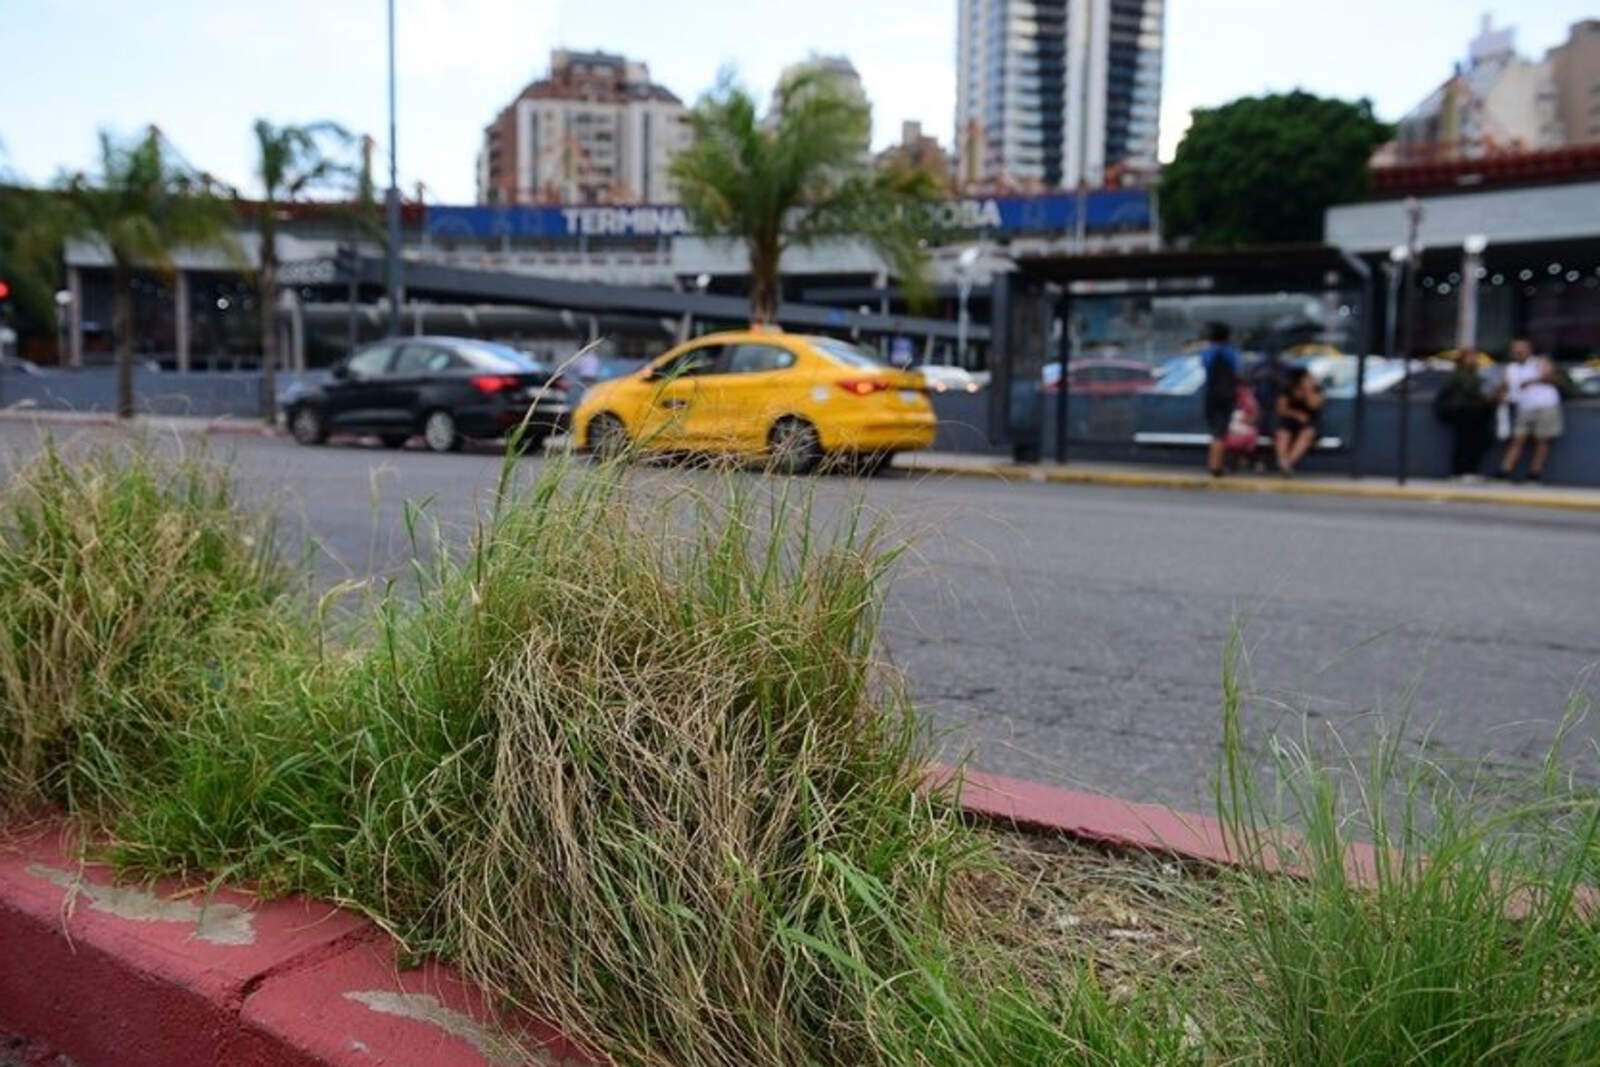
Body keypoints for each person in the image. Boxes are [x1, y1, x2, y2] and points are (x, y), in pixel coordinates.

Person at [1496, 338, 1563, 483]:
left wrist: (1534, 380)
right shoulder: (1511, 368)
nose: (1519, 351)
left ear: (1529, 349)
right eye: (1516, 349)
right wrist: (1502, 394)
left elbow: (1553, 378)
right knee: (1517, 439)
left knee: (1542, 440)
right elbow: (1506, 386)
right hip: (1523, 407)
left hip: (1545, 405)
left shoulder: (1539, 362)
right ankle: (1505, 471)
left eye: (1522, 348)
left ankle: (1535, 474)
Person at [1434, 349, 1494, 481]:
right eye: (1470, 357)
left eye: (1474, 357)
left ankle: (1469, 470)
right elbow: (1469, 391)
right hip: (1463, 411)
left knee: (1478, 442)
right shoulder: (1459, 375)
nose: (1473, 360)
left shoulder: (1476, 374)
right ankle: (1460, 471)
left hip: (1477, 413)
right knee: (1464, 442)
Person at [1199, 322, 1240, 477]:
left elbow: (1204, 365)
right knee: (1220, 432)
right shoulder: (1230, 352)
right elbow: (1239, 370)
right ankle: (1216, 465)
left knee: (1215, 430)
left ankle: (1215, 463)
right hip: (1227, 394)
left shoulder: (1208, 352)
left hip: (1211, 394)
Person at [1274, 367, 1325, 475]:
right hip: (1289, 421)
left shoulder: (1316, 389)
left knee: (1307, 434)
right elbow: (1281, 409)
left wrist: (1308, 391)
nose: (1309, 379)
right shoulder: (1288, 389)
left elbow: (1315, 405)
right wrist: (1296, 414)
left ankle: (1288, 463)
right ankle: (1282, 461)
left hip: (1309, 423)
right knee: (1282, 433)